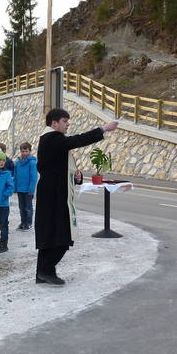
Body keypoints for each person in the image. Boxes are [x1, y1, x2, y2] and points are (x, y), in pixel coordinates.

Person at [35, 108, 118, 286]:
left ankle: (43, 273)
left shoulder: (51, 140)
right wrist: (103, 129)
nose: (68, 125)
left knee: (51, 235)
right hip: (53, 195)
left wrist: (75, 177)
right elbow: (78, 140)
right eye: (64, 121)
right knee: (61, 236)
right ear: (54, 123)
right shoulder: (52, 138)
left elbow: (57, 167)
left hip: (52, 192)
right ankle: (45, 271)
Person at [13, 142, 38, 230]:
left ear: (30, 151)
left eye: (26, 151)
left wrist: (31, 190)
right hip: (20, 189)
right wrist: (15, 187)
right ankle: (23, 222)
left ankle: (29, 223)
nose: (24, 153)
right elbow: (15, 176)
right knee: (21, 207)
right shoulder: (17, 163)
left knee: (28, 208)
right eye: (22, 151)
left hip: (28, 190)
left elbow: (33, 177)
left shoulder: (32, 163)